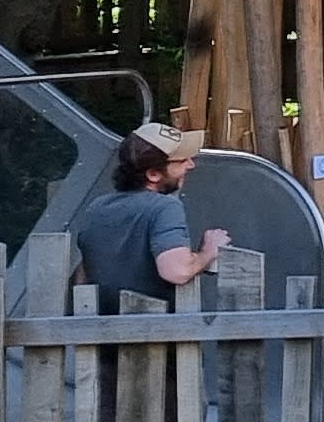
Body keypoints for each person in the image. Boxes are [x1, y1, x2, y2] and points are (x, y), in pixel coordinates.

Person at [79, 123, 227, 308]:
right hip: (152, 329)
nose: (191, 164)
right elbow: (177, 271)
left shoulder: (97, 207)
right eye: (182, 161)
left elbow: (84, 275)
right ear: (154, 174)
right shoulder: (164, 207)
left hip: (101, 329)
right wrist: (209, 251)